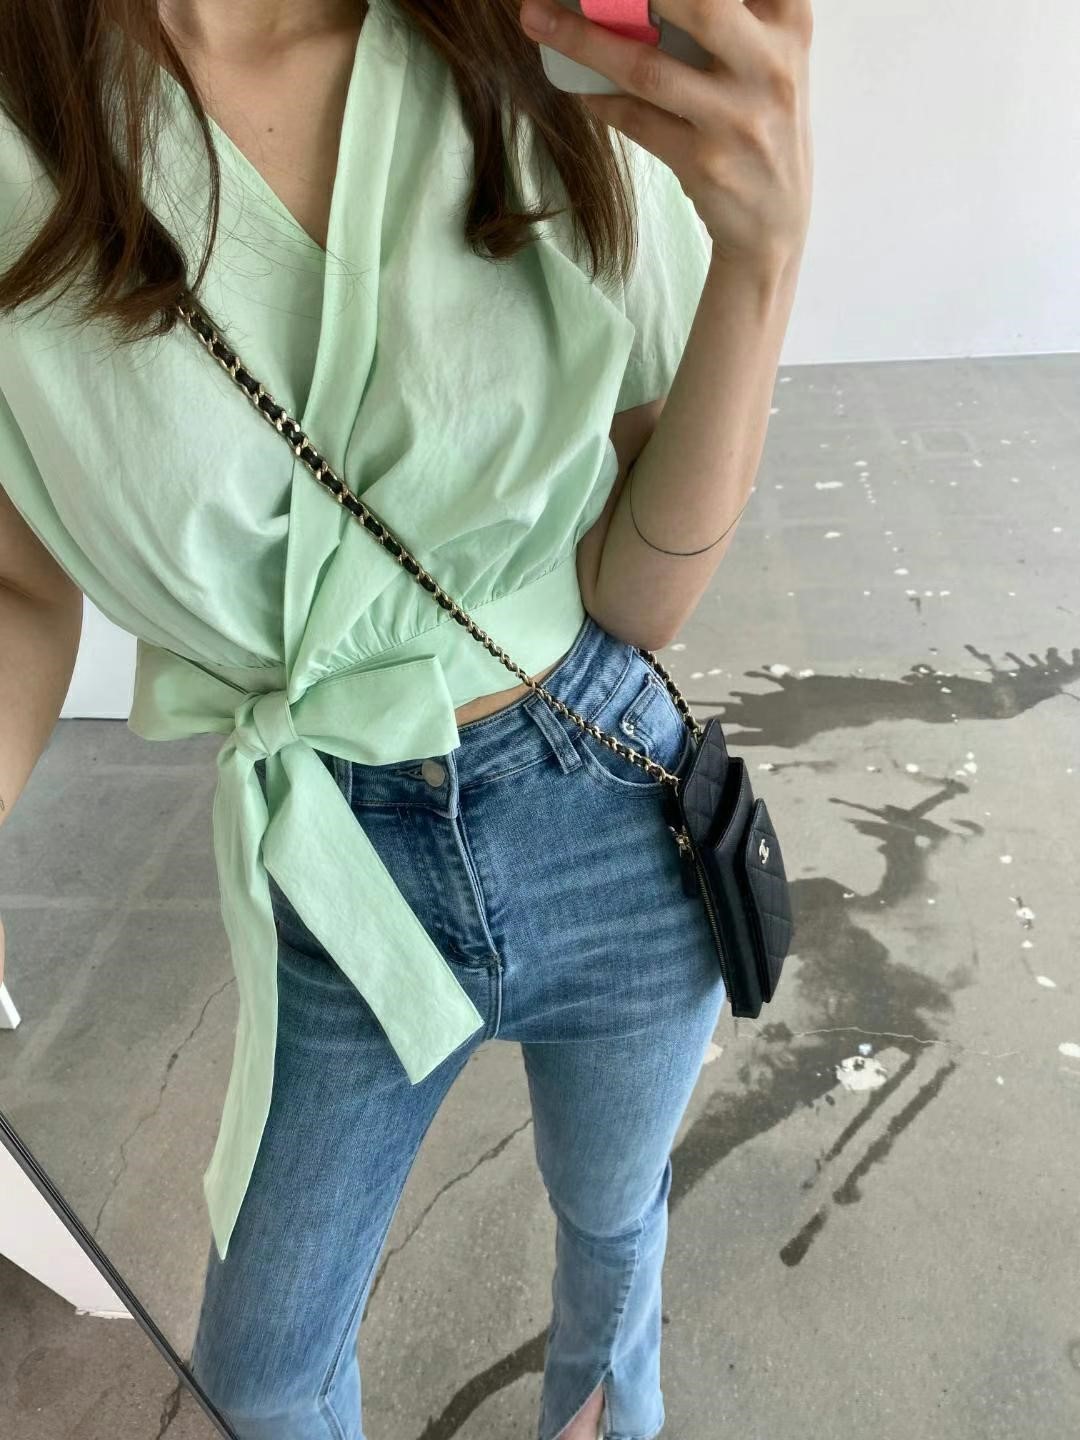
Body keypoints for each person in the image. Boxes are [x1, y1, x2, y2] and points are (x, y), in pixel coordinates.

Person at [0, 1, 813, 1436]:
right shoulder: (26, 127)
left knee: (614, 1216)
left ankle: (614, 1413)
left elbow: (636, 597)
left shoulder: (529, 41)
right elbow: (16, 582)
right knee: (263, 1381)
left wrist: (764, 258)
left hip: (606, 796)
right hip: (336, 864)